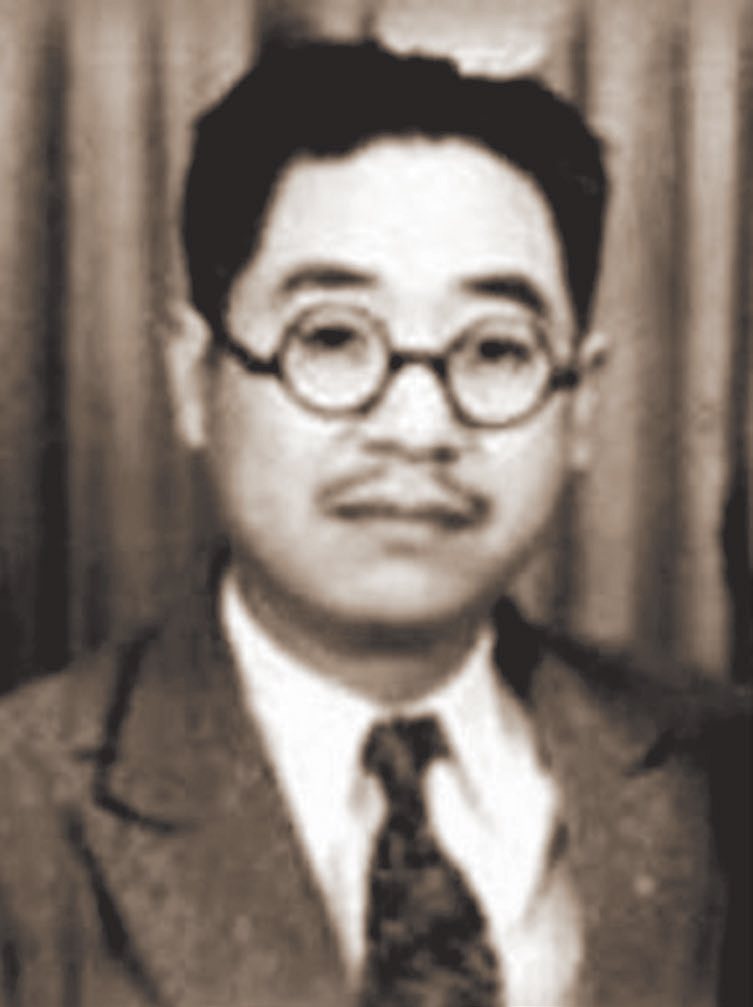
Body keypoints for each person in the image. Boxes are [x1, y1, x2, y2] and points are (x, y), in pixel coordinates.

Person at [0, 38, 748, 1007]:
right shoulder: (23, 808)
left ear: (581, 404)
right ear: (195, 379)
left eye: (495, 350)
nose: (417, 428)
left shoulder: (723, 776)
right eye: (332, 337)